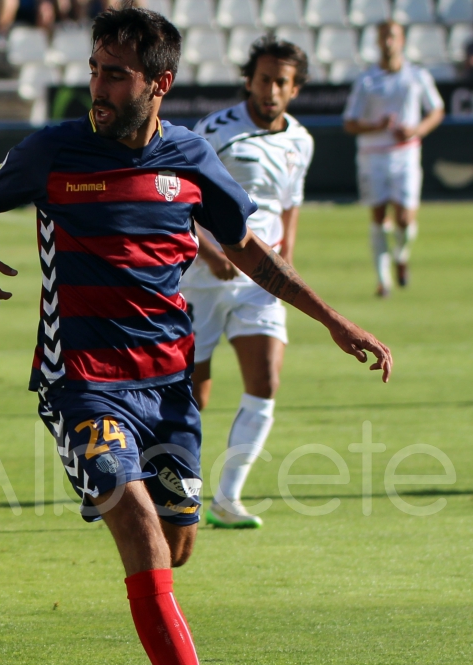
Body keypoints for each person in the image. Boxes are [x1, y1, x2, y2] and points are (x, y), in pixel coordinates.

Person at [0, 6, 391, 665]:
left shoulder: (190, 157)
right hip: (81, 382)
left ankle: (159, 625)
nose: (98, 86)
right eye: (94, 68)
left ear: (159, 82)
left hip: (172, 387)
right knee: (143, 533)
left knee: (176, 545)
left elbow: (250, 252)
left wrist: (332, 319)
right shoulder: (53, 150)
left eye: (115, 74)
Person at [182, 35, 314, 529]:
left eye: (282, 82)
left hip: (262, 283)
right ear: (249, 80)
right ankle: (179, 488)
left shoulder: (302, 139)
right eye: (264, 79)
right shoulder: (215, 131)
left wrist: (288, 263)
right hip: (204, 278)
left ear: (295, 88)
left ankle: (228, 498)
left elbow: (290, 203)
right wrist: (210, 252)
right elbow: (181, 196)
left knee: (266, 381)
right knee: (195, 391)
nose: (271, 90)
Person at [342, 21, 444, 297]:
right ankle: (382, 280)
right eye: (384, 36)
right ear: (377, 41)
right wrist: (376, 126)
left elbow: (436, 110)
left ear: (402, 41)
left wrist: (416, 130)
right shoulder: (366, 80)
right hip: (372, 155)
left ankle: (401, 255)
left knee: (404, 219)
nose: (388, 42)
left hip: (406, 153)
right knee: (377, 215)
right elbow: (350, 123)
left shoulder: (416, 75)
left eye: (393, 36)